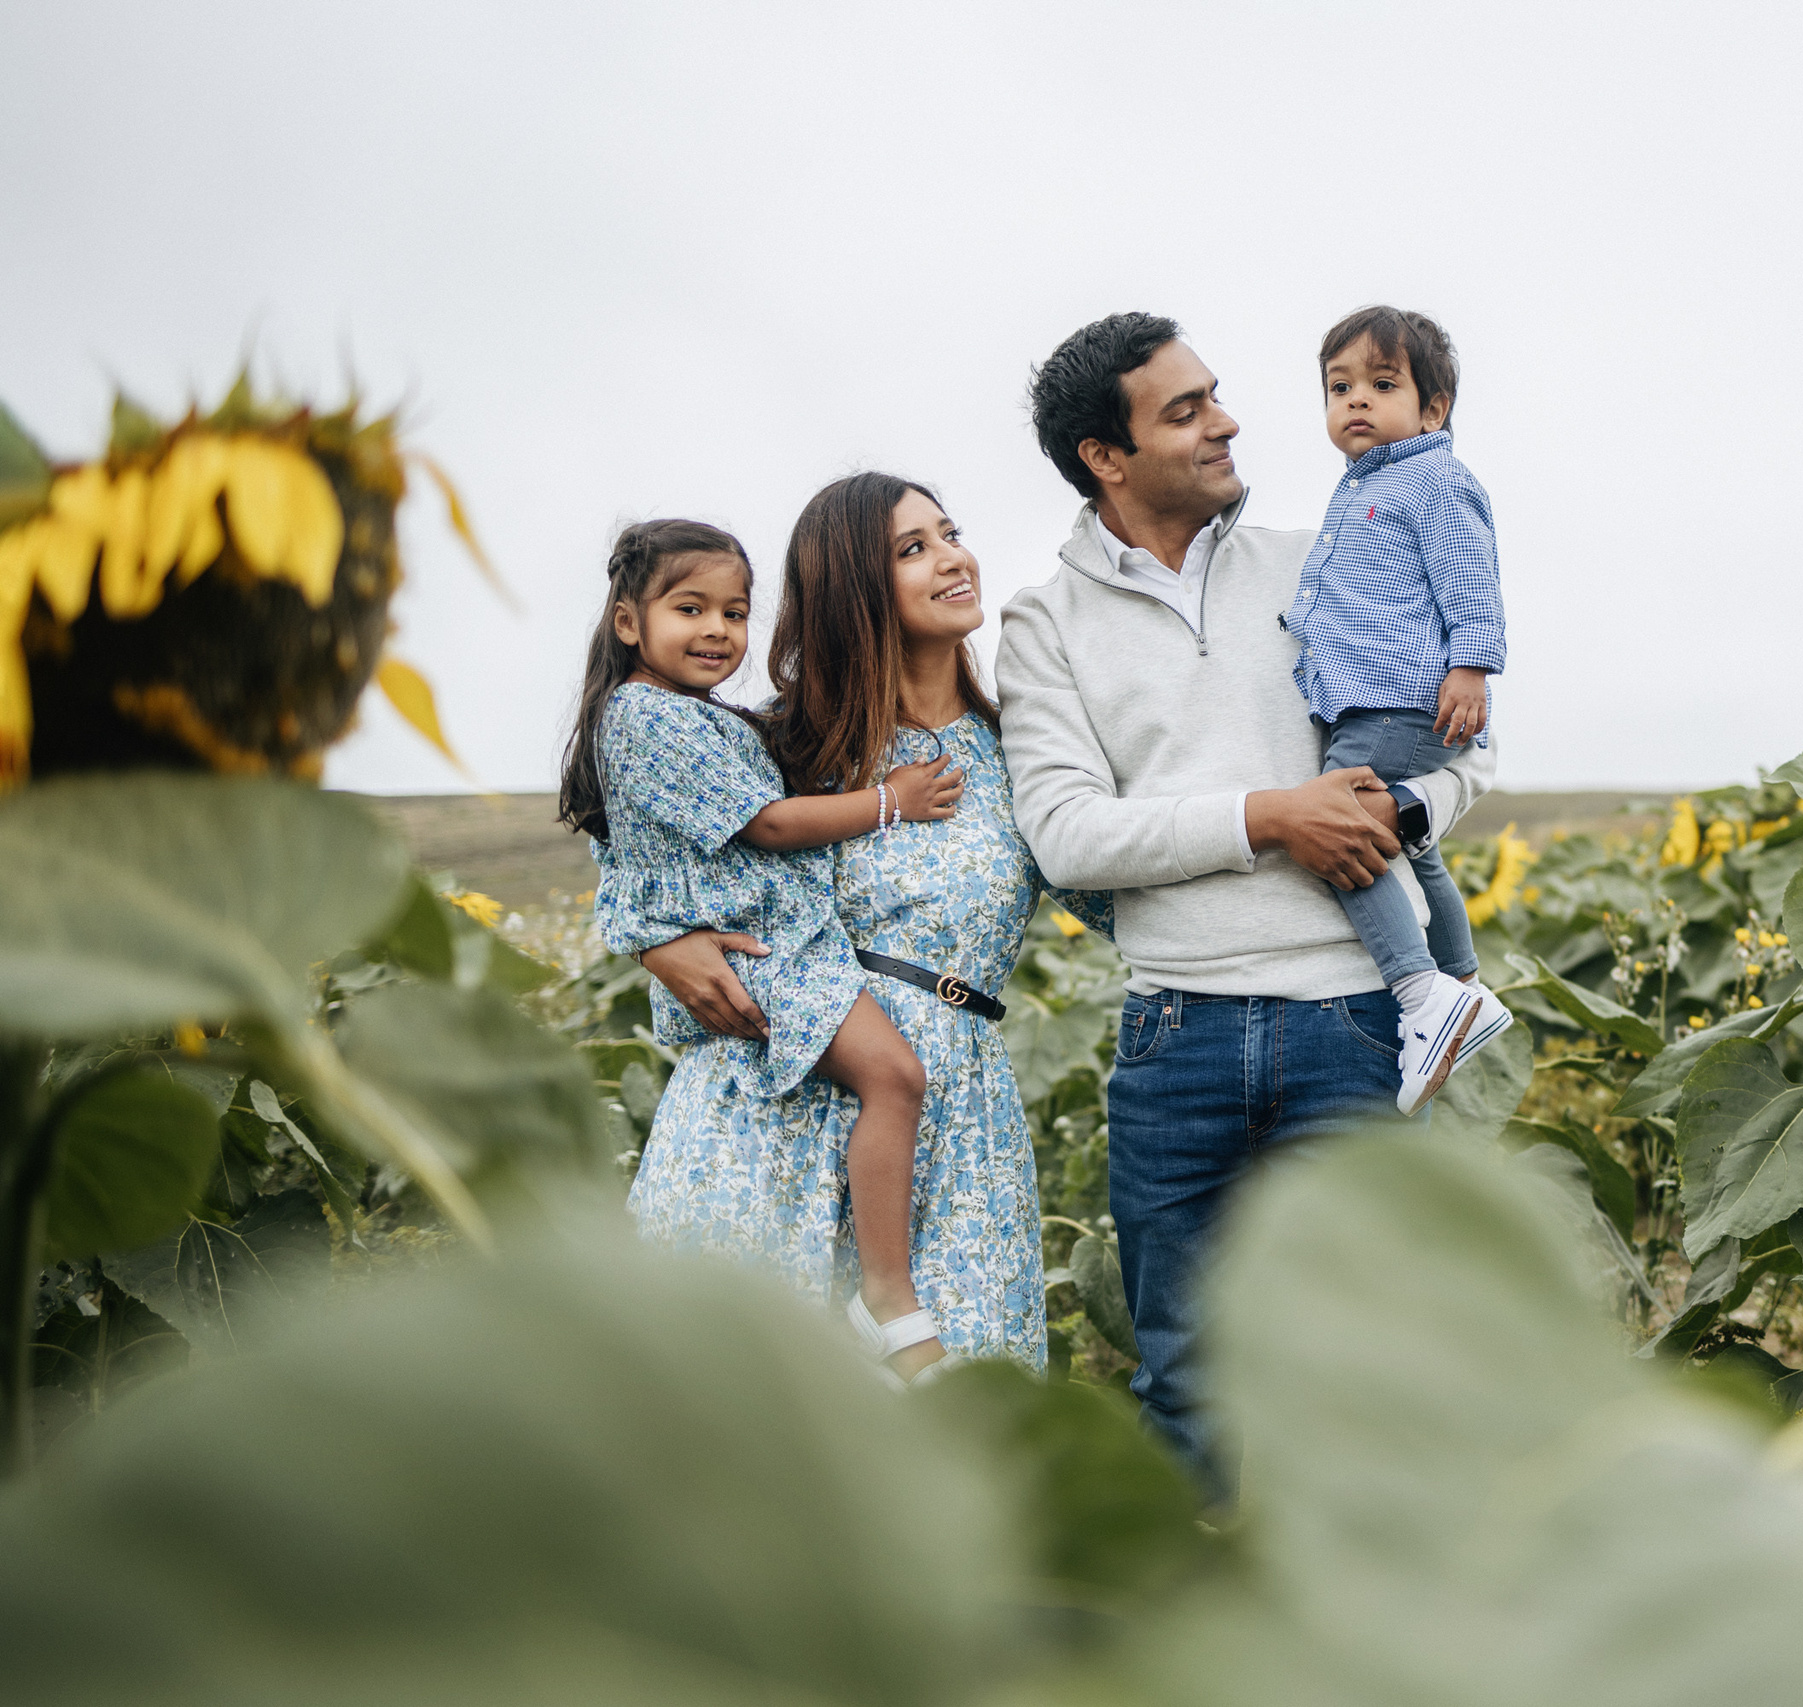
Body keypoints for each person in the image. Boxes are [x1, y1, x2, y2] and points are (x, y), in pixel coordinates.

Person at [1001, 311, 1494, 1491]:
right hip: (1179, 1035)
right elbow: (1068, 837)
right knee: (1187, 1378)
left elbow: (1463, 749)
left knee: (1366, 1369)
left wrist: (1398, 817)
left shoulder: (1324, 554)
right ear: (1103, 458)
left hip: (1358, 1026)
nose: (1226, 421)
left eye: (1215, 394)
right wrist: (1270, 816)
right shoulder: (1043, 625)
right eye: (1184, 410)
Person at [630, 477, 1110, 1378]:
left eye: (951, 533)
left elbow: (1126, 892)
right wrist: (659, 942)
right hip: (771, 1110)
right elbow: (649, 843)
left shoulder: (1021, 753)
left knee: (961, 1431)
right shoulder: (781, 746)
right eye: (912, 548)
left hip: (957, 1118)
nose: (953, 556)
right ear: (852, 586)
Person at [559, 518, 946, 1380]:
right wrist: (893, 801)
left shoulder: (691, 718)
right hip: (769, 953)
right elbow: (768, 824)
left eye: (735, 613)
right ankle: (887, 1292)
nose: (717, 631)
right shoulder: (646, 717)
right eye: (690, 607)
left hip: (763, 947)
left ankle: (879, 1286)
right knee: (894, 1075)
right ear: (629, 622)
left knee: (881, 1082)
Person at [1284, 305, 1514, 1114]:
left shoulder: (1433, 478)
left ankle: (1420, 994)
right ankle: (1463, 983)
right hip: (1373, 700)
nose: (1355, 402)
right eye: (1339, 387)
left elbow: (1471, 581)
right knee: (1413, 845)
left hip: (1395, 702)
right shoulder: (1367, 485)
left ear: (1432, 408)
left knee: (1336, 831)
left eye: (1381, 385)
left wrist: (1473, 666)